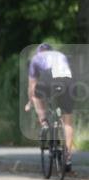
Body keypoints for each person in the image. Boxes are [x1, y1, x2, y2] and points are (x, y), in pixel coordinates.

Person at [27, 43, 76, 172]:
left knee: (37, 96)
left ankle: (44, 122)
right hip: (68, 79)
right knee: (68, 121)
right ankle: (68, 157)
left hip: (49, 77)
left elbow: (32, 86)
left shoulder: (36, 58)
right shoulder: (61, 55)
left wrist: (30, 102)